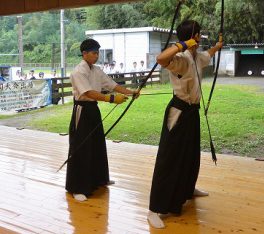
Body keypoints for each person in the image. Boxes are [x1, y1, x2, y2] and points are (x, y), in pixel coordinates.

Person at [147, 20, 223, 228]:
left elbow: (209, 55)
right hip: (178, 112)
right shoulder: (181, 58)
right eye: (198, 35)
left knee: (190, 156)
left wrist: (217, 46)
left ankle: (188, 189)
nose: (200, 39)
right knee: (169, 159)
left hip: (192, 113)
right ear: (192, 37)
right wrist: (183, 44)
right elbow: (161, 58)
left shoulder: (196, 57)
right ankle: (154, 209)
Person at [65, 38, 139, 202]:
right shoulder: (78, 71)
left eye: (98, 52)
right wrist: (111, 99)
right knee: (82, 147)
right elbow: (89, 93)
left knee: (97, 144)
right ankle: (78, 187)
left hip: (93, 110)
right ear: (84, 54)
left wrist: (130, 92)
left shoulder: (96, 70)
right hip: (82, 110)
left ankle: (99, 179)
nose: (97, 55)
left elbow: (112, 85)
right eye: (93, 53)